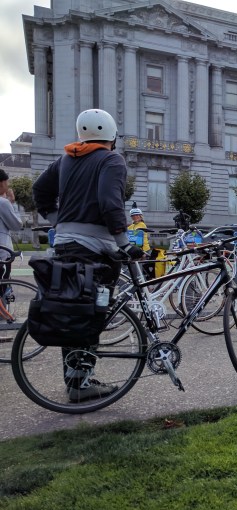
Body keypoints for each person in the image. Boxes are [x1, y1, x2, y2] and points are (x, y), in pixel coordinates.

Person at [33, 108, 145, 400]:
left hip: (65, 246)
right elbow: (110, 203)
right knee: (91, 314)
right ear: (112, 136)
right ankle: (81, 384)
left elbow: (38, 190)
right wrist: (123, 242)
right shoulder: (111, 160)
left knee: (72, 311)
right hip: (95, 251)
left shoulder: (66, 159)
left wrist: (57, 219)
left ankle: (75, 381)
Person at [0, 170, 23, 279]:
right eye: (7, 182)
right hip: (2, 255)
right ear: (2, 183)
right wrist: (12, 203)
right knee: (2, 289)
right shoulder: (3, 203)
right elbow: (17, 226)